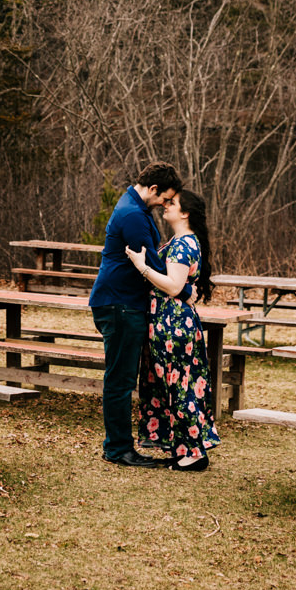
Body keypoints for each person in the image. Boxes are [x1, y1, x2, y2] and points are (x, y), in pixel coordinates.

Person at [89, 161, 182, 467]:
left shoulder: (135, 208)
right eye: (165, 198)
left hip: (121, 303)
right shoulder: (132, 215)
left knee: (122, 377)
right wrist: (183, 288)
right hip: (120, 305)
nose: (165, 204)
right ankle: (118, 449)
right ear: (153, 189)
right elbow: (153, 267)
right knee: (120, 380)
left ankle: (117, 445)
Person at [125, 188, 219, 471]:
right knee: (173, 387)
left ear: (185, 213)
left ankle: (194, 455)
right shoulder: (181, 241)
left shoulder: (183, 244)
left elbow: (174, 286)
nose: (165, 206)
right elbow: (182, 286)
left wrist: (142, 267)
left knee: (180, 388)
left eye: (172, 203)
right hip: (169, 321)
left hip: (173, 325)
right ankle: (184, 449)